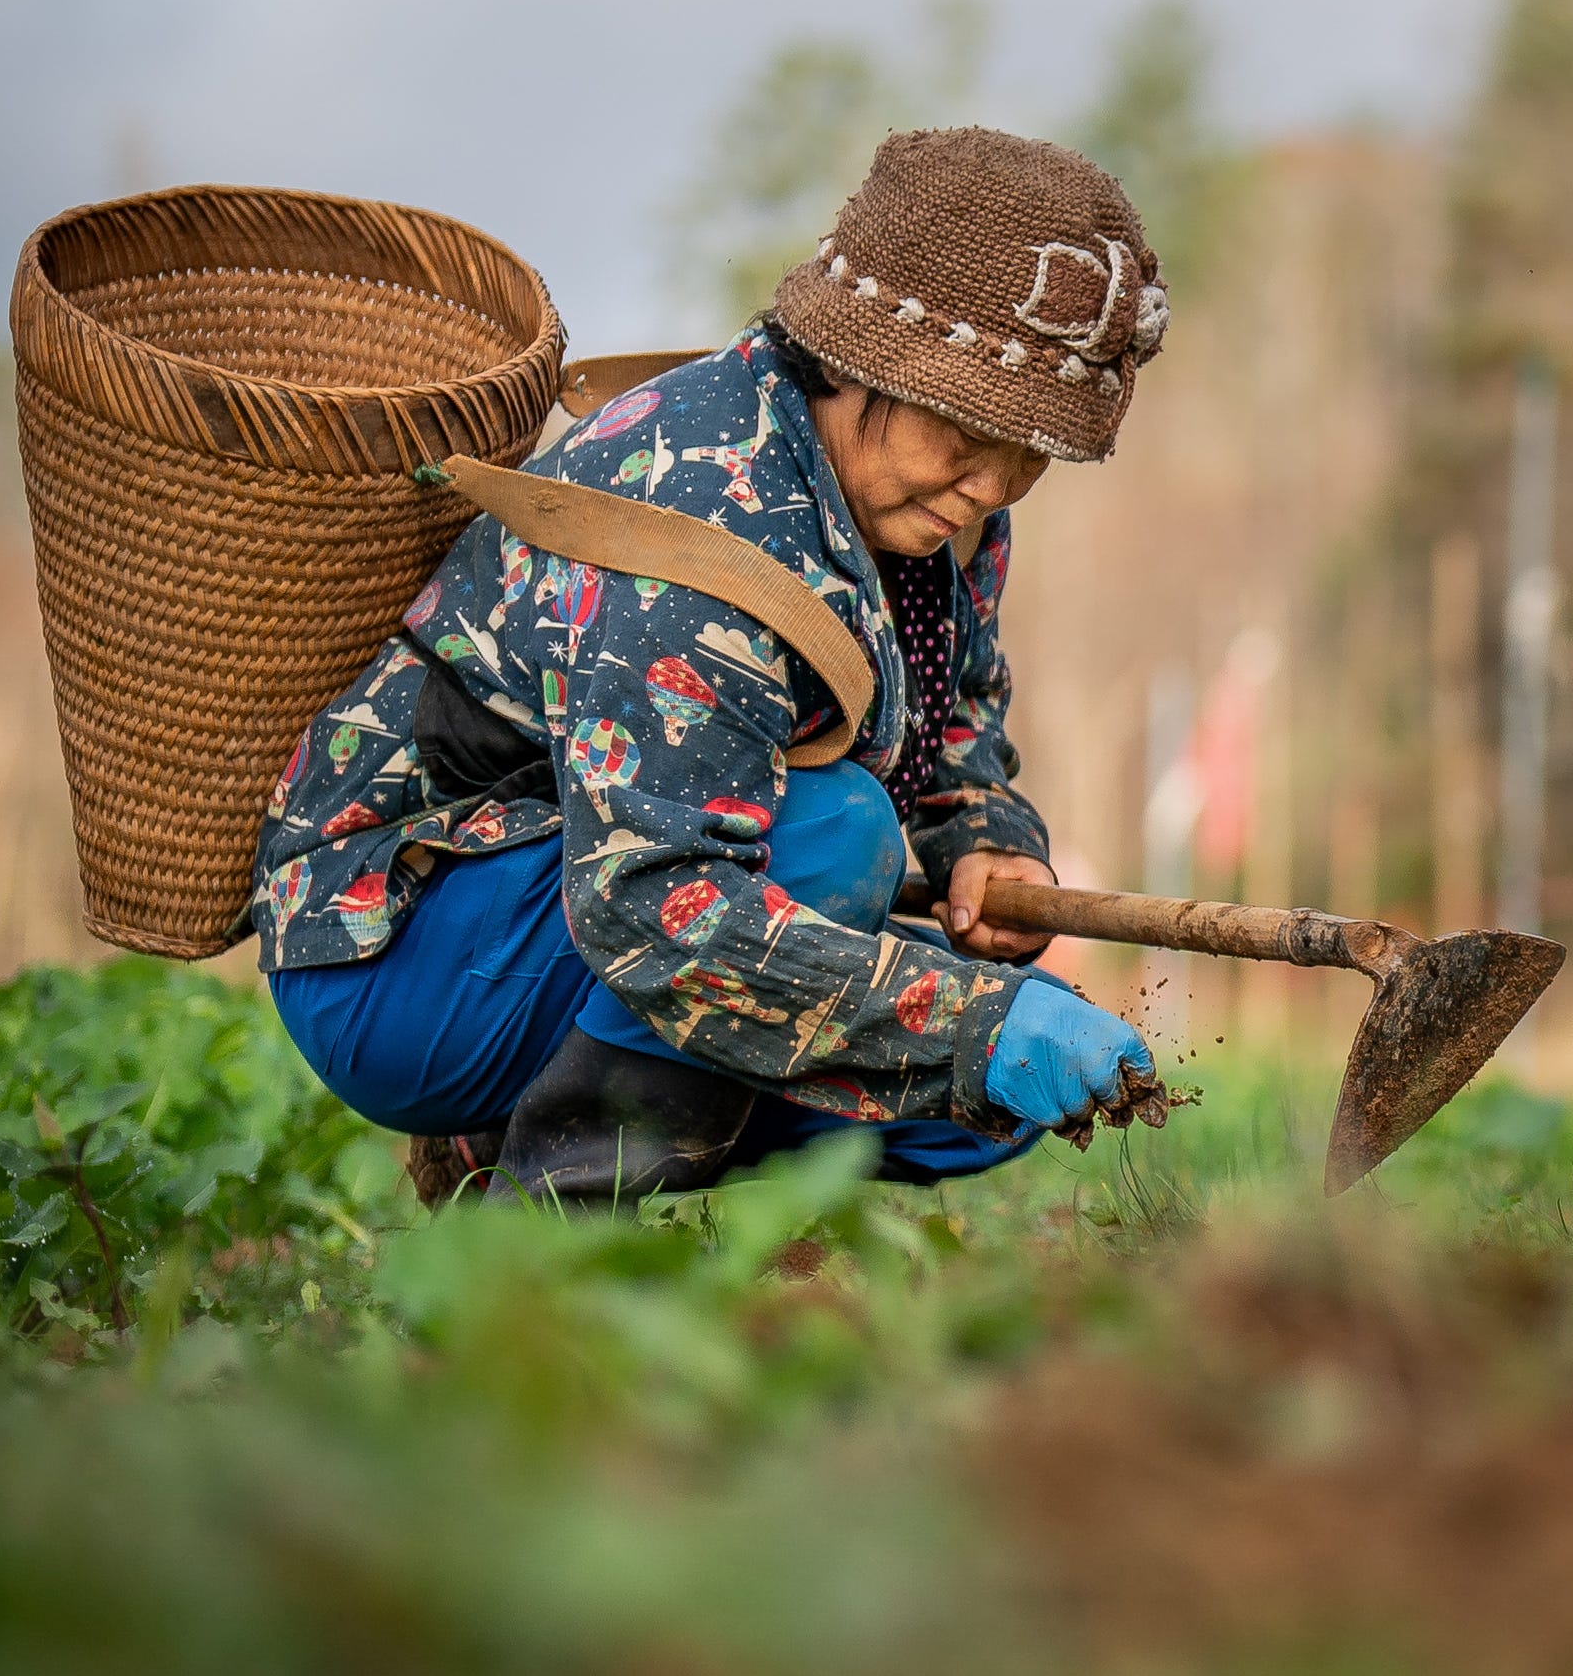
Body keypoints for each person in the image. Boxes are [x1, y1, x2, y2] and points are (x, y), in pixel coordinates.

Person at [251, 127, 1170, 1204]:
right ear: (858, 362)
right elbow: (655, 902)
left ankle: (497, 1139)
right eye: (970, 434)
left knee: (979, 1116)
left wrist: (990, 842)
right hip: (397, 953)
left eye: (1032, 452)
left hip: (568, 912)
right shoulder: (701, 516)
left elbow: (953, 710)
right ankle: (542, 1237)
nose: (993, 483)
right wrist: (972, 1018)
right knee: (838, 837)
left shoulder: (932, 517)